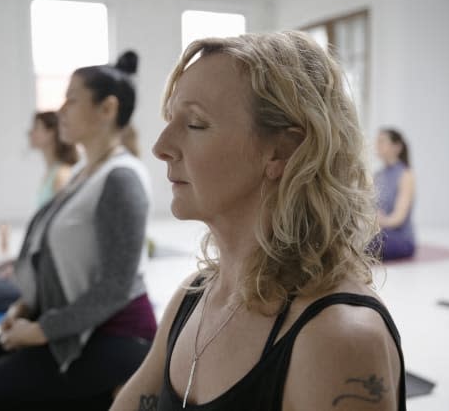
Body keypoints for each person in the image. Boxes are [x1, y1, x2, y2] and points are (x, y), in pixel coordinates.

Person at [111, 32, 406, 411]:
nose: (160, 146)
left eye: (196, 124)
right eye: (171, 119)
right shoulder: (194, 295)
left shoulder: (338, 338)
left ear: (282, 150)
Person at [0, 50, 157, 410]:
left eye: (72, 100)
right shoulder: (82, 174)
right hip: (69, 322)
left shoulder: (122, 179)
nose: (61, 111)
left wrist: (41, 331)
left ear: (107, 109)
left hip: (116, 334)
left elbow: (116, 286)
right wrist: (26, 307)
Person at [0, 112, 80, 313]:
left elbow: (57, 236)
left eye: (36, 128)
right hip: (37, 262)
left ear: (51, 133)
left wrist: (25, 270)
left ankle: (43, 297)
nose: (30, 133)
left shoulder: (62, 175)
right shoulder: (51, 173)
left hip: (48, 269)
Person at [374, 127, 416, 261]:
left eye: (382, 141)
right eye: (377, 141)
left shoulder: (405, 175)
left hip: (400, 239)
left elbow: (399, 218)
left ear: (396, 147)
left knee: (358, 246)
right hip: (379, 233)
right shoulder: (377, 175)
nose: (377, 145)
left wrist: (380, 221)